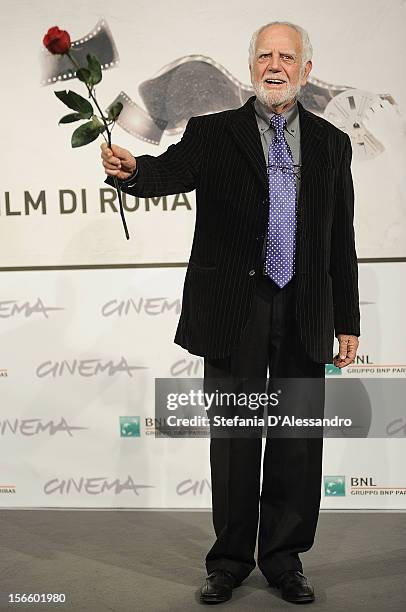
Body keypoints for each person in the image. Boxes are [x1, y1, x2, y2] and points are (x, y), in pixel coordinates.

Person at [101, 21, 360, 605]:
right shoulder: (213, 132)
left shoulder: (331, 143)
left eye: (287, 57)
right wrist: (134, 170)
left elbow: (338, 238)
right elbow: (169, 170)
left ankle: (285, 559)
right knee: (237, 438)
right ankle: (229, 562)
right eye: (264, 55)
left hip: (306, 308)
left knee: (297, 441)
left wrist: (348, 318)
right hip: (234, 309)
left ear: (306, 70)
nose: (275, 65)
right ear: (250, 67)